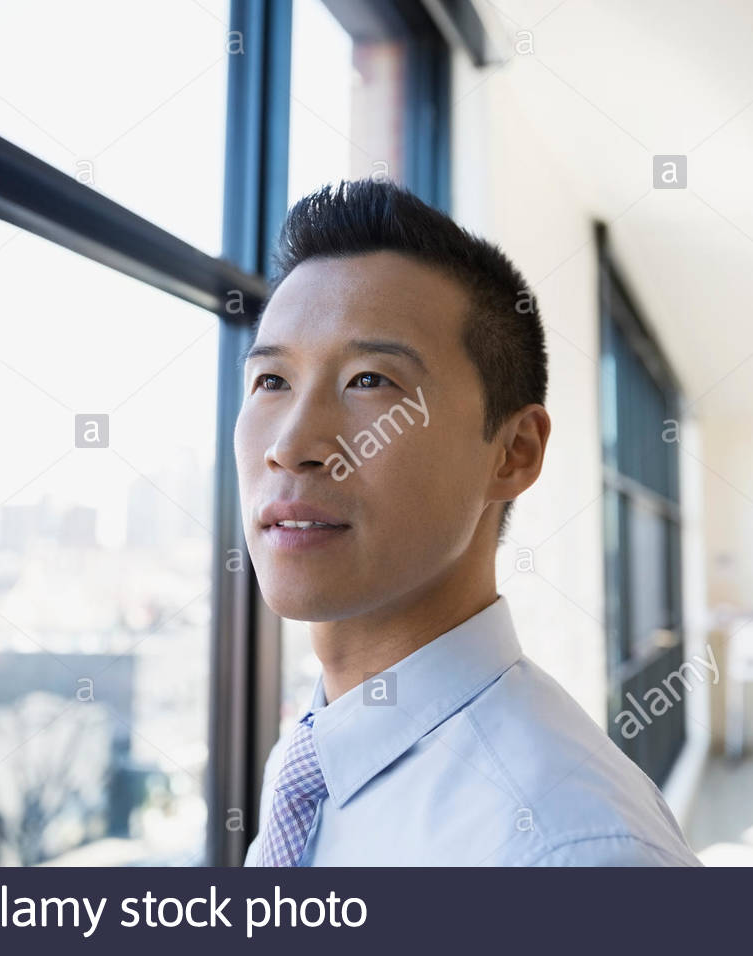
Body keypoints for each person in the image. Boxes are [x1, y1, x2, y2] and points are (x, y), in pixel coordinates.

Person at [236, 178, 700, 866]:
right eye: (272, 382)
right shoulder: (312, 757)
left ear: (513, 453)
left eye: (369, 380)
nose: (290, 445)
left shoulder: (568, 853)